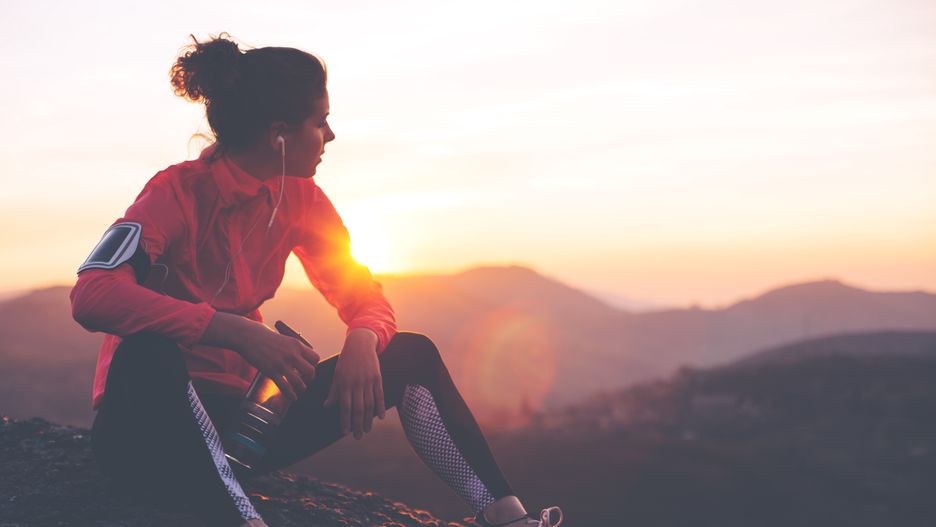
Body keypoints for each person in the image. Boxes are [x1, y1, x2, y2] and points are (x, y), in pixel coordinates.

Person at [69, 33, 563, 527]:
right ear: (279, 135)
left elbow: (362, 292)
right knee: (147, 349)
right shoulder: (173, 193)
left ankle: (507, 517)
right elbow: (93, 294)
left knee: (411, 354)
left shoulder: (302, 198)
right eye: (321, 122)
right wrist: (231, 330)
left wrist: (364, 339)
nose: (330, 136)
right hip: (149, 434)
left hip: (242, 432)